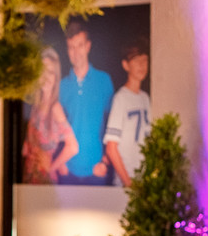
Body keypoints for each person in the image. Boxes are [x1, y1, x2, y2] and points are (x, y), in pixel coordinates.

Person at [57, 19, 114, 185]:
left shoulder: (104, 81)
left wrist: (105, 161)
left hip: (96, 170)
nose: (76, 52)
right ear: (67, 50)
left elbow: (113, 125)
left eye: (80, 45)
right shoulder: (61, 86)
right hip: (67, 171)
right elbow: (55, 130)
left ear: (88, 46)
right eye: (71, 47)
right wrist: (60, 162)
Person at [22, 48, 79, 184]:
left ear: (56, 78)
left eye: (51, 73)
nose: (46, 77)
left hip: (44, 181)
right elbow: (27, 148)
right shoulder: (36, 105)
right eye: (42, 71)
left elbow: (73, 147)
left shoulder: (55, 108)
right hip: (28, 177)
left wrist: (51, 167)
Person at [103, 40, 153, 187]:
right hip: (126, 182)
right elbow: (111, 147)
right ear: (126, 65)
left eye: (145, 60)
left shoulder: (145, 98)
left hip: (144, 180)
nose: (142, 65)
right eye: (136, 61)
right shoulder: (121, 98)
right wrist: (128, 183)